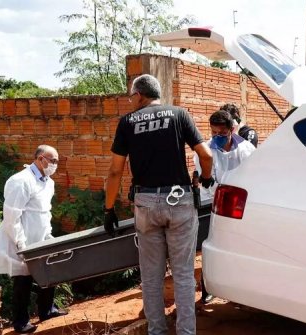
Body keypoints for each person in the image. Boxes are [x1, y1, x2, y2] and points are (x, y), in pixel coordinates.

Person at [104, 74, 213, 335]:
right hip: (180, 201)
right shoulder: (179, 114)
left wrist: (108, 209)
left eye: (131, 96)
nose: (131, 101)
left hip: (146, 204)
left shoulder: (127, 122)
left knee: (151, 277)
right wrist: (206, 178)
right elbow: (205, 155)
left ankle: (157, 331)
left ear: (140, 95)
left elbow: (115, 172)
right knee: (184, 275)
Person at [0, 145, 67, 334]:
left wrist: (48, 235)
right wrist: (20, 243)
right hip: (21, 239)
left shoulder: (48, 182)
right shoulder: (21, 181)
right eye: (52, 160)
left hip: (41, 238)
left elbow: (45, 213)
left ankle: (47, 310)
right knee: (23, 280)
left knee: (49, 271)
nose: (55, 165)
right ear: (40, 158)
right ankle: (21, 322)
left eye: (57, 161)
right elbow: (12, 216)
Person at [194, 109, 256, 304]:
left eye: (221, 133)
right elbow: (207, 180)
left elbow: (252, 177)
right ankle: (208, 288)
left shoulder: (246, 149)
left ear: (231, 130)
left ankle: (241, 288)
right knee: (212, 246)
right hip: (214, 203)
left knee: (240, 245)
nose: (217, 137)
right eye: (213, 133)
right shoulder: (206, 151)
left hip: (240, 204)